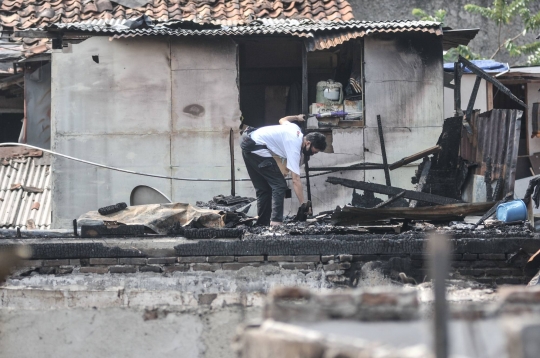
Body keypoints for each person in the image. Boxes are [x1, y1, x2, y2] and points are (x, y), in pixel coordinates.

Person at [241, 114, 327, 226]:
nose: (313, 154)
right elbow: (296, 180)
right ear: (308, 143)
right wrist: (303, 205)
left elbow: (282, 119)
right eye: (313, 151)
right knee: (279, 185)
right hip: (256, 148)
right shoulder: (295, 146)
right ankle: (276, 222)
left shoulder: (295, 129)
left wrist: (297, 117)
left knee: (263, 189)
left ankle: (262, 224)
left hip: (247, 143)